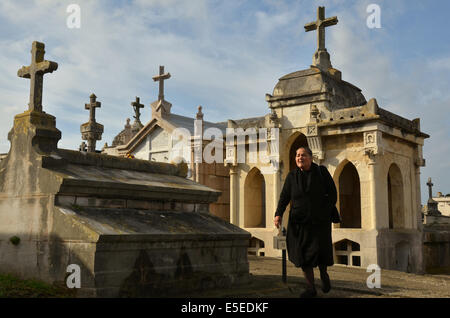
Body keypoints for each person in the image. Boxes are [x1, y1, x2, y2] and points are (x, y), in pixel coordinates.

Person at [274, 146, 337, 298]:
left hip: (319, 223)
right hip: (298, 223)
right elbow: (284, 197)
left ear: (311, 157)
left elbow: (333, 194)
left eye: (303, 155)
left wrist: (324, 213)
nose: (299, 158)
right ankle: (311, 288)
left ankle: (323, 274)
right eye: (297, 155)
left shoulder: (321, 172)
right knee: (302, 255)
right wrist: (278, 214)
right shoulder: (291, 176)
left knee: (320, 252)